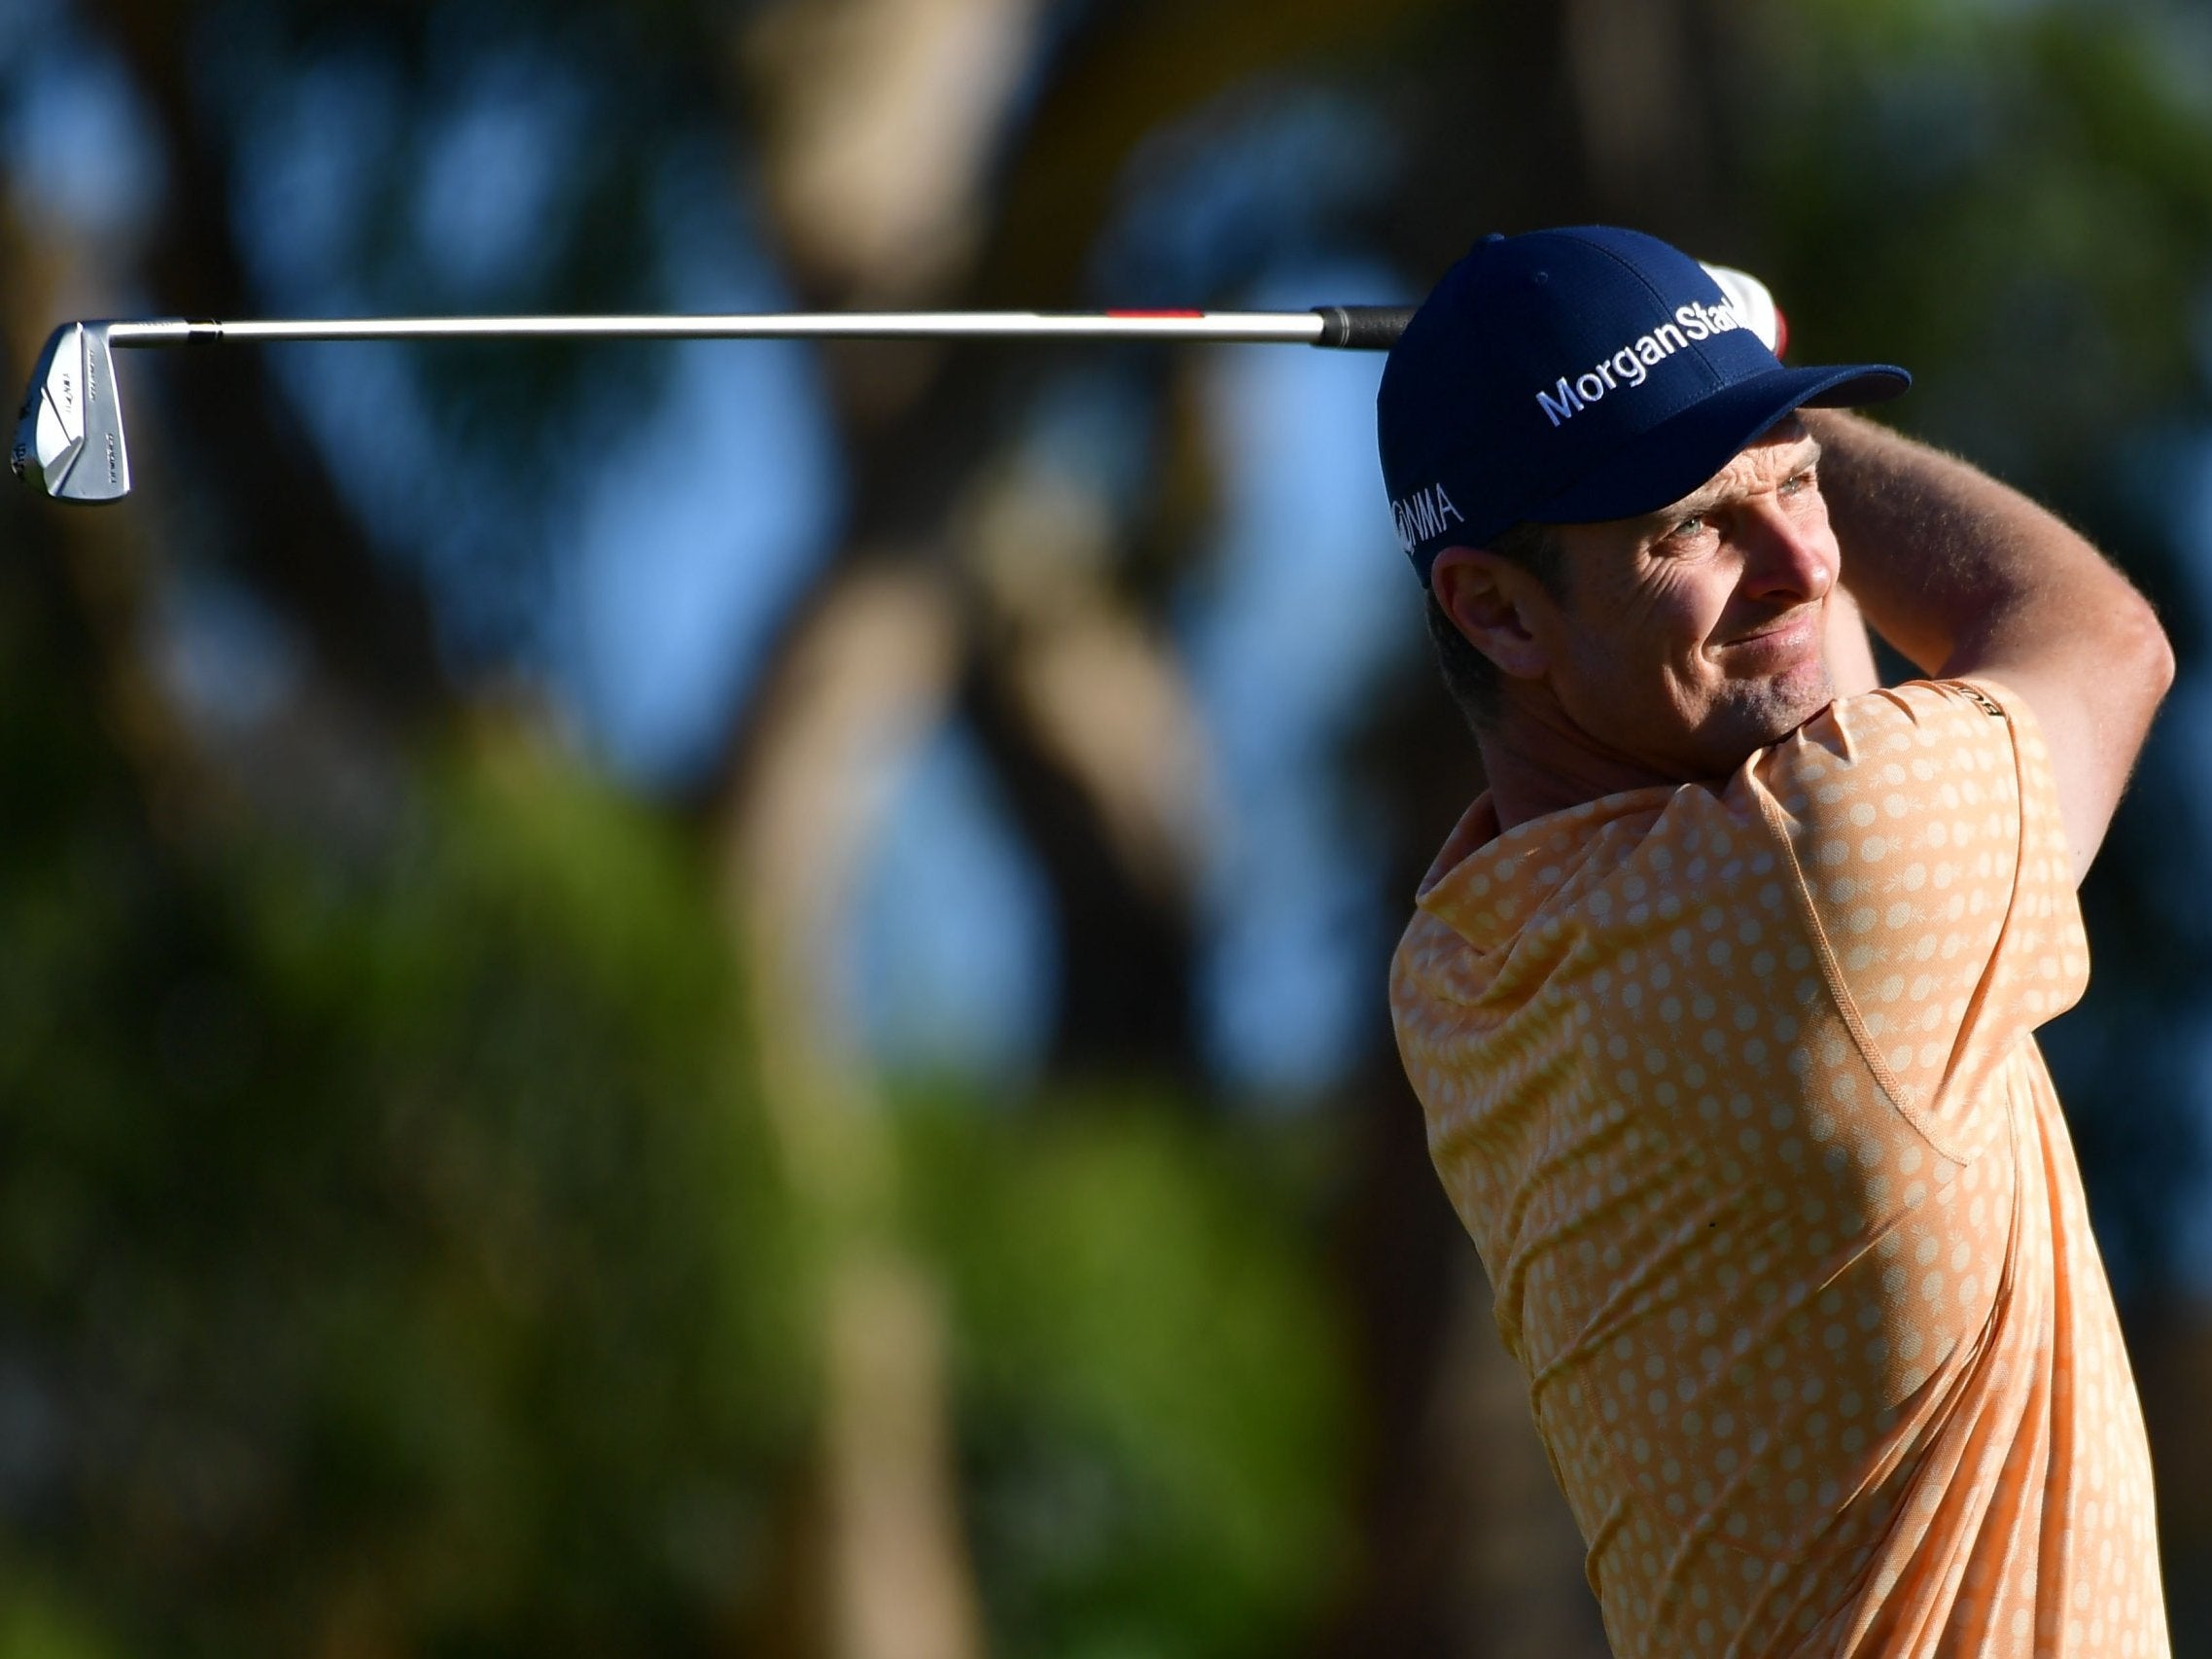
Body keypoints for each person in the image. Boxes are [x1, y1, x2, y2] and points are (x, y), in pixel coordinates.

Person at [1377, 227, 2173, 1657]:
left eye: (1799, 490)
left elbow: (1820, 734)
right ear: (1495, 608)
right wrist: (1792, 414)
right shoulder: (1824, 888)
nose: (1808, 558)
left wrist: (1729, 419)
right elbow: (2101, 638)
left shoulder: (1463, 965)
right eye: (1692, 523)